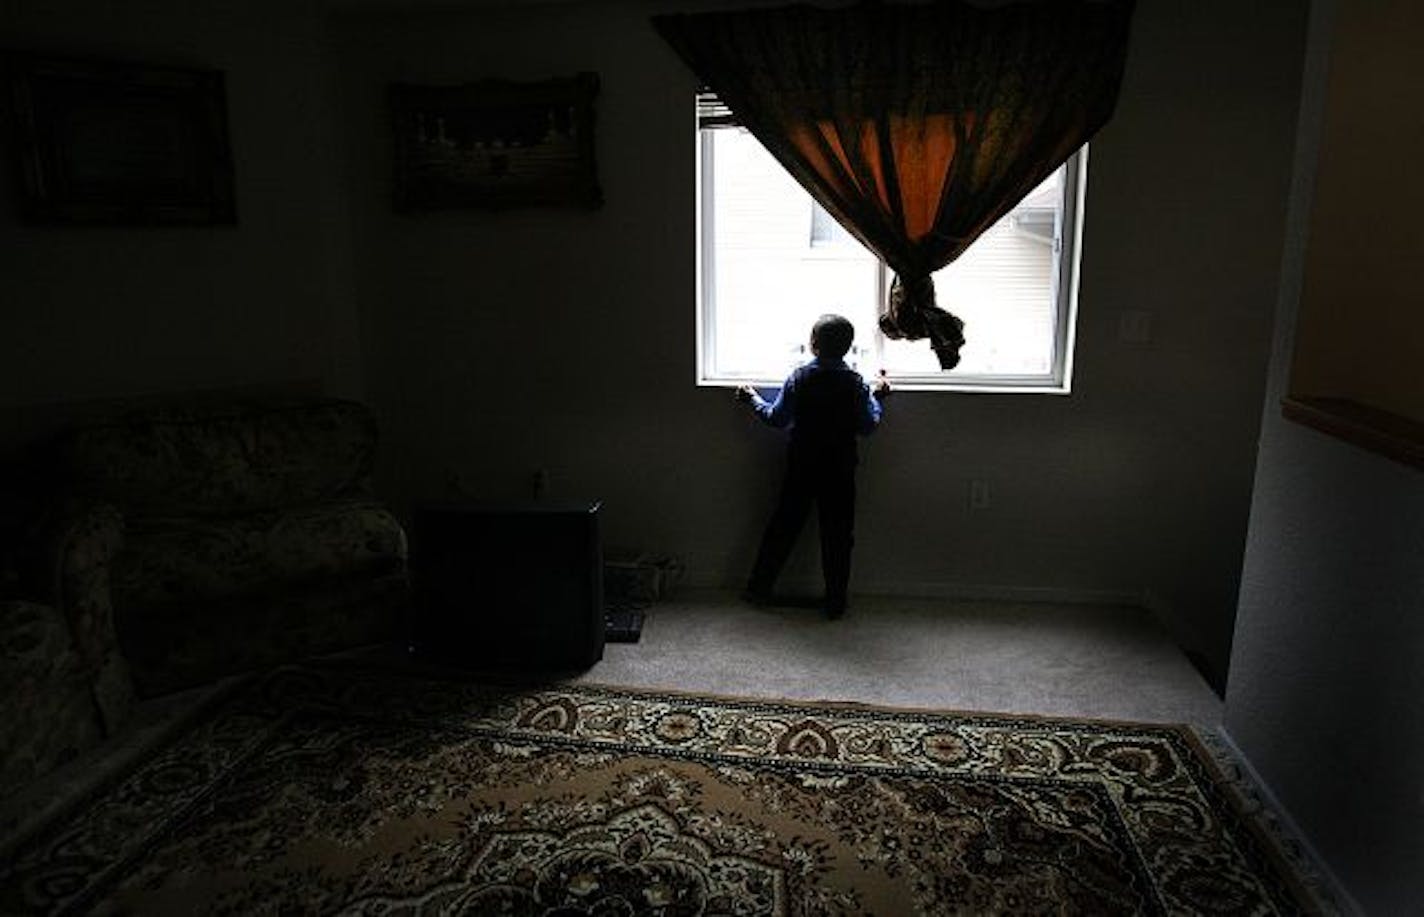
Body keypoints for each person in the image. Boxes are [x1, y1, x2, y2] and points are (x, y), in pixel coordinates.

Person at [736, 314, 890, 619]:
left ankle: (759, 587)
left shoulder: (800, 379)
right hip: (840, 467)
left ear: (813, 343)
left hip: (802, 464)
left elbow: (776, 419)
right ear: (848, 348)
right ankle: (835, 600)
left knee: (784, 525)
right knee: (838, 534)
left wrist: (752, 398)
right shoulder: (855, 384)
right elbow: (868, 425)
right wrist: (876, 398)